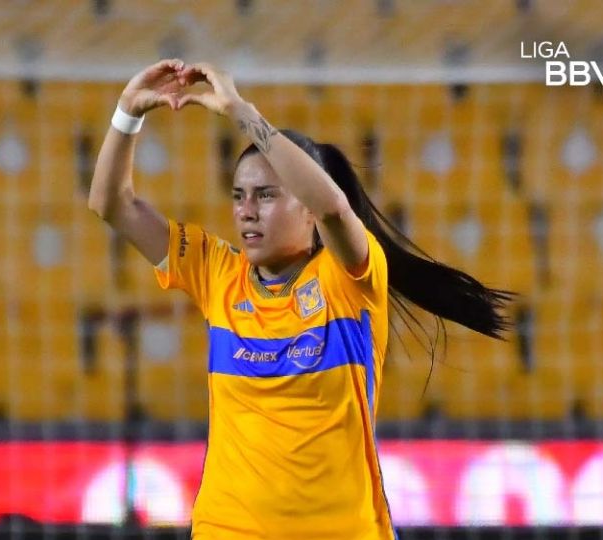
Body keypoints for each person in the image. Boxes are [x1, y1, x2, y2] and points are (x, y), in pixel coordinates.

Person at [88, 58, 514, 539]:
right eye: (239, 196)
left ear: (306, 210)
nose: (246, 212)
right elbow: (111, 204)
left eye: (267, 195)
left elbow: (334, 207)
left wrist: (239, 111)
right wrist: (128, 110)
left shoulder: (349, 278)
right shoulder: (216, 272)